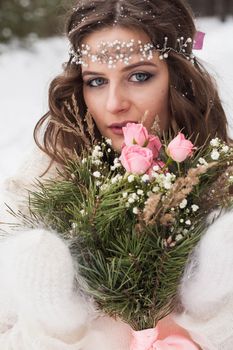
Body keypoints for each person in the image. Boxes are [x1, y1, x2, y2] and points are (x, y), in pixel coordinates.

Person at [0, 0, 233, 349]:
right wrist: (54, 329)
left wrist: (211, 324)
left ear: (180, 78)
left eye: (139, 76)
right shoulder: (44, 178)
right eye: (95, 81)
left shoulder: (221, 175)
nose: (113, 104)